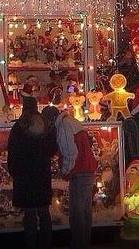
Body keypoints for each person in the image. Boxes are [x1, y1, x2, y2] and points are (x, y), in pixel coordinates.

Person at [42, 105, 97, 249]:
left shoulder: (64, 126)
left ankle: (78, 244)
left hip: (79, 172)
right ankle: (85, 243)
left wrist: (65, 171)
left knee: (76, 214)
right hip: (87, 170)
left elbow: (70, 152)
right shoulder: (71, 121)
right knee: (85, 212)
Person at [7, 96, 57, 249]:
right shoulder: (46, 124)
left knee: (29, 214)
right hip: (42, 173)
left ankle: (30, 243)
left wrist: (13, 170)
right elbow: (52, 148)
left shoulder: (19, 127)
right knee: (43, 211)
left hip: (24, 174)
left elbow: (12, 150)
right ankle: (46, 244)